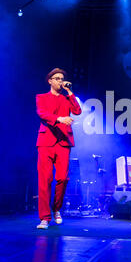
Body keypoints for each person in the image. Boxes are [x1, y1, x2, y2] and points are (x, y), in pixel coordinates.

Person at [35, 68, 82, 229]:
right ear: (50, 80)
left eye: (62, 79)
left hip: (63, 142)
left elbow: (77, 110)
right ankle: (45, 218)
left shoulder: (66, 98)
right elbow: (42, 113)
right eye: (57, 78)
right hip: (46, 142)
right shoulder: (41, 97)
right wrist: (59, 119)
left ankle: (56, 209)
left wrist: (70, 92)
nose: (60, 81)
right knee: (45, 180)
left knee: (62, 178)